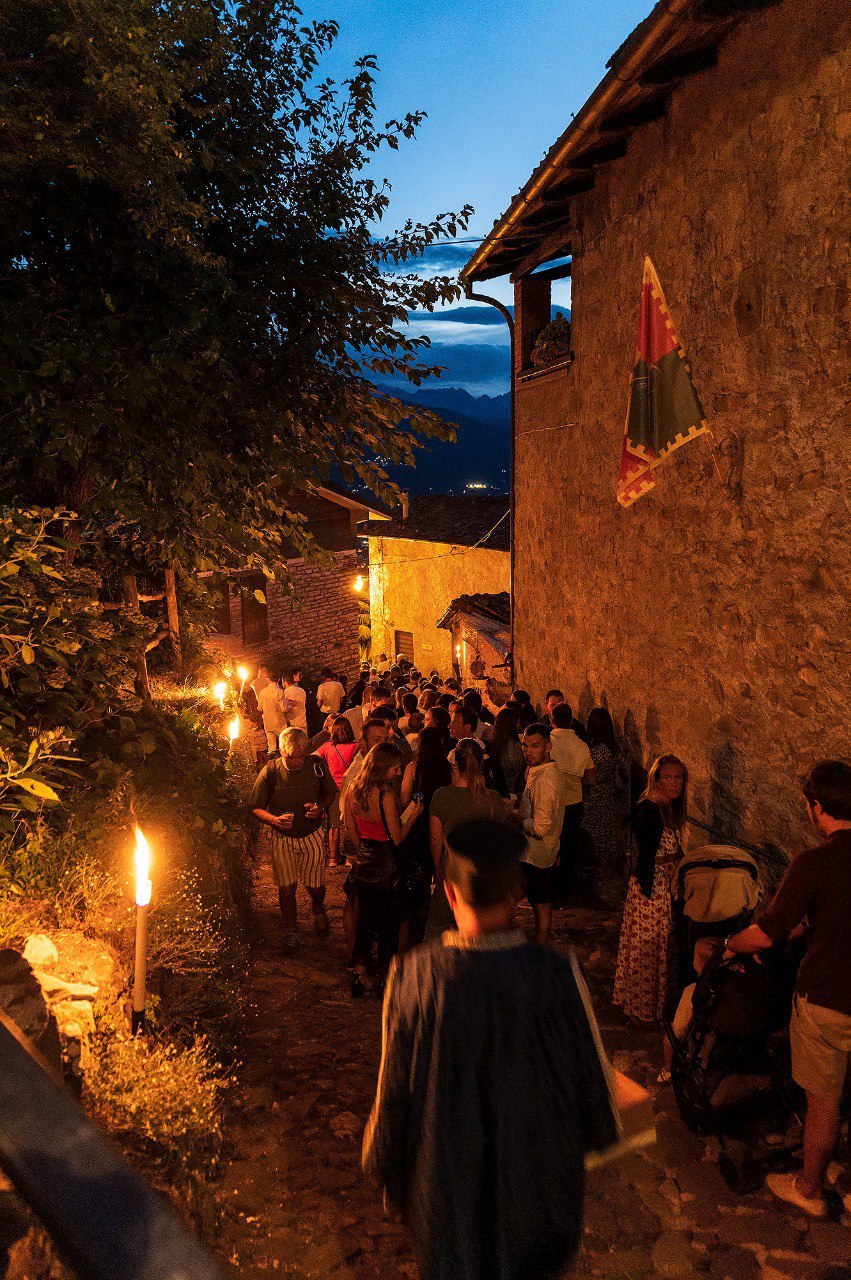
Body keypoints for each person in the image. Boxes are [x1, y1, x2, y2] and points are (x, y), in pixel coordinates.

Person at [362, 817, 619, 1280]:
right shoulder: (560, 975)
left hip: (446, 1200)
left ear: (449, 892)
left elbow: (393, 1095)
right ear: (517, 893)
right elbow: (595, 1094)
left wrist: (388, 1173)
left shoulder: (412, 977)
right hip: (540, 1201)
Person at [724, 760, 851, 1219]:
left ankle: (809, 1187)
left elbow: (766, 933)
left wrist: (728, 946)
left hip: (828, 999)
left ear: (817, 808)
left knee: (823, 1100)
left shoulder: (814, 863)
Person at [343, 743, 423, 995]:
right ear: (383, 768)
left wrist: (362, 851)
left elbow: (351, 830)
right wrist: (414, 814)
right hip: (387, 862)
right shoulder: (384, 795)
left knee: (365, 920)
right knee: (389, 922)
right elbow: (396, 836)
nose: (399, 773)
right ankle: (386, 978)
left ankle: (360, 974)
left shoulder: (352, 790)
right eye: (396, 768)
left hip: (365, 860)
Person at [613, 754, 687, 1024]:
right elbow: (647, 853)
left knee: (659, 948)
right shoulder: (649, 809)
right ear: (656, 779)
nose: (674, 783)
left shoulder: (666, 808)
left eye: (678, 778)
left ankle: (655, 1007)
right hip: (652, 889)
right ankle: (643, 1008)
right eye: (667, 777)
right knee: (648, 948)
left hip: (663, 887)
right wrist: (651, 888)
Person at [250, 727, 338, 953]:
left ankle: (318, 908)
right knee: (286, 888)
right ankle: (291, 930)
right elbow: (255, 808)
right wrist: (274, 820)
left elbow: (330, 792)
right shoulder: (270, 771)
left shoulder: (316, 765)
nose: (298, 761)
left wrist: (320, 808)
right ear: (281, 752)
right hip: (283, 838)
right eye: (292, 757)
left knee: (315, 885)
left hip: (312, 835)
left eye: (301, 756)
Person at [426, 739, 504, 939]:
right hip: (482, 874)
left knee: (436, 927)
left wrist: (438, 869)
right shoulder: (492, 798)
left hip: (451, 871)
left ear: (455, 765)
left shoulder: (441, 796)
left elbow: (435, 840)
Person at [398, 727, 453, 948]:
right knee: (439, 871)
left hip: (418, 824)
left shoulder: (414, 768)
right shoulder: (449, 769)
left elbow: (403, 799)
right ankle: (436, 920)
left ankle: (417, 923)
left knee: (418, 875)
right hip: (441, 823)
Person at [517, 723, 564, 943]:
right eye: (525, 746)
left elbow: (540, 827)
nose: (528, 751)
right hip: (536, 853)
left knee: (541, 904)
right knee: (538, 902)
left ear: (548, 747)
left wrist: (516, 818)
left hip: (538, 854)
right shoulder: (541, 772)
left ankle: (541, 946)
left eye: (535, 746)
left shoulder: (545, 780)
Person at [549, 703, 596, 900]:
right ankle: (564, 892)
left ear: (552, 720)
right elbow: (591, 778)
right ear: (571, 721)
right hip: (574, 802)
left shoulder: (546, 742)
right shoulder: (581, 745)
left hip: (551, 800)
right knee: (568, 848)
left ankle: (547, 889)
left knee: (549, 845)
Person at [582, 708, 629, 901]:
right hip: (609, 793)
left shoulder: (594, 752)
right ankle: (604, 871)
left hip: (595, 794)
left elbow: (589, 776)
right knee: (606, 830)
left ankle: (599, 873)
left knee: (595, 832)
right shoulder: (613, 749)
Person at [313, 716, 358, 867]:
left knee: (334, 825)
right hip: (350, 789)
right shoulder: (356, 747)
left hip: (333, 790)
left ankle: (332, 858)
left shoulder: (327, 747)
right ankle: (348, 857)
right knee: (350, 824)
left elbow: (313, 758)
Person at [483, 705, 525, 798]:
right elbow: (517, 770)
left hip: (498, 790)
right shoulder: (513, 745)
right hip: (511, 792)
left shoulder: (494, 741)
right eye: (518, 722)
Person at [256, 673, 287, 756]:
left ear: (269, 680)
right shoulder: (280, 691)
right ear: (279, 680)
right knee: (283, 745)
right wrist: (290, 705)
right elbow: (284, 708)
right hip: (280, 722)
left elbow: (259, 708)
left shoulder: (262, 692)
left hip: (268, 722)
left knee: (271, 746)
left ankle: (271, 764)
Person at [281, 667, 308, 732]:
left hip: (292, 723)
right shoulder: (302, 690)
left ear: (285, 682)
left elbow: (284, 708)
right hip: (302, 721)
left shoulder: (285, 693)